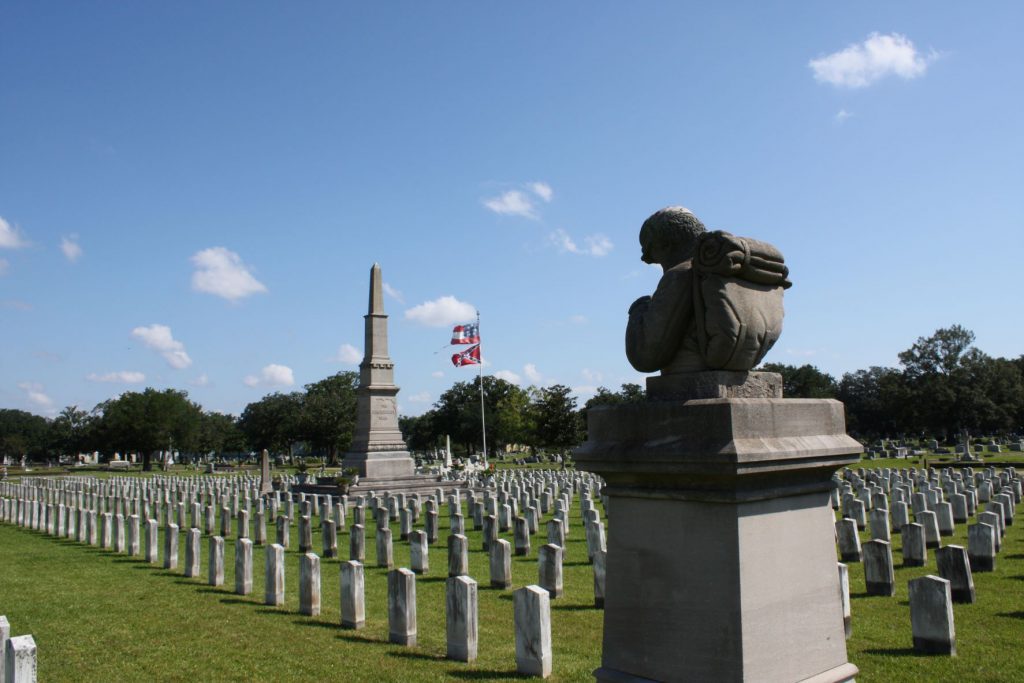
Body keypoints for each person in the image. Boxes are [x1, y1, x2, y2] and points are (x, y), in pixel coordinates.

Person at [625, 207, 708, 374]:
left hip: (686, 378)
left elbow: (645, 357)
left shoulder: (680, 275)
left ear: (666, 245)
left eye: (651, 251)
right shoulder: (721, 270)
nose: (646, 259)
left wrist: (638, 309)